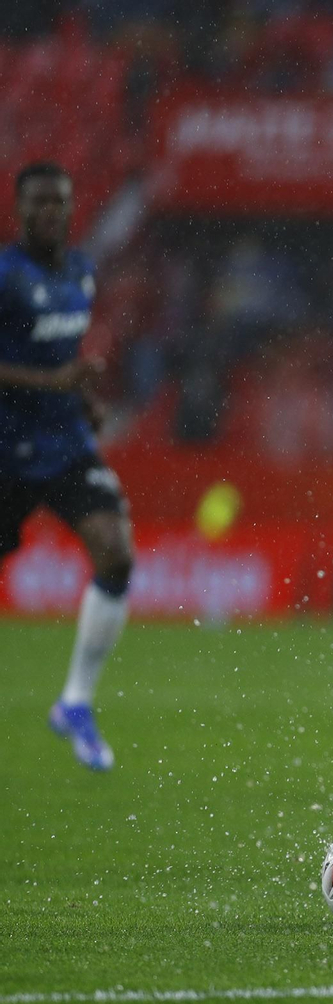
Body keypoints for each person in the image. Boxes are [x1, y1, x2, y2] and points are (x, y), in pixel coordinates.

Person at [0, 162, 132, 771]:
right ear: (20, 208)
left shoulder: (81, 272)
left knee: (114, 552)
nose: (49, 212)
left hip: (66, 443)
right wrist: (53, 381)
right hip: (7, 449)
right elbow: (42, 365)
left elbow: (62, 353)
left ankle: (75, 702)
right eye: (38, 203)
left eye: (59, 202)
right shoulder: (6, 275)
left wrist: (82, 398)